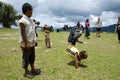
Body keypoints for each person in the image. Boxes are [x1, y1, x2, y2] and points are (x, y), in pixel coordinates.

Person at [19, 3, 40, 78]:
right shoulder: (22, 21)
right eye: (32, 11)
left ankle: (33, 69)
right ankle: (26, 72)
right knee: (26, 58)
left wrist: (35, 41)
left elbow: (32, 31)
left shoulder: (30, 20)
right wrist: (26, 43)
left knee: (32, 57)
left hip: (32, 43)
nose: (32, 13)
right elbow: (23, 33)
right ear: (28, 10)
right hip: (26, 44)